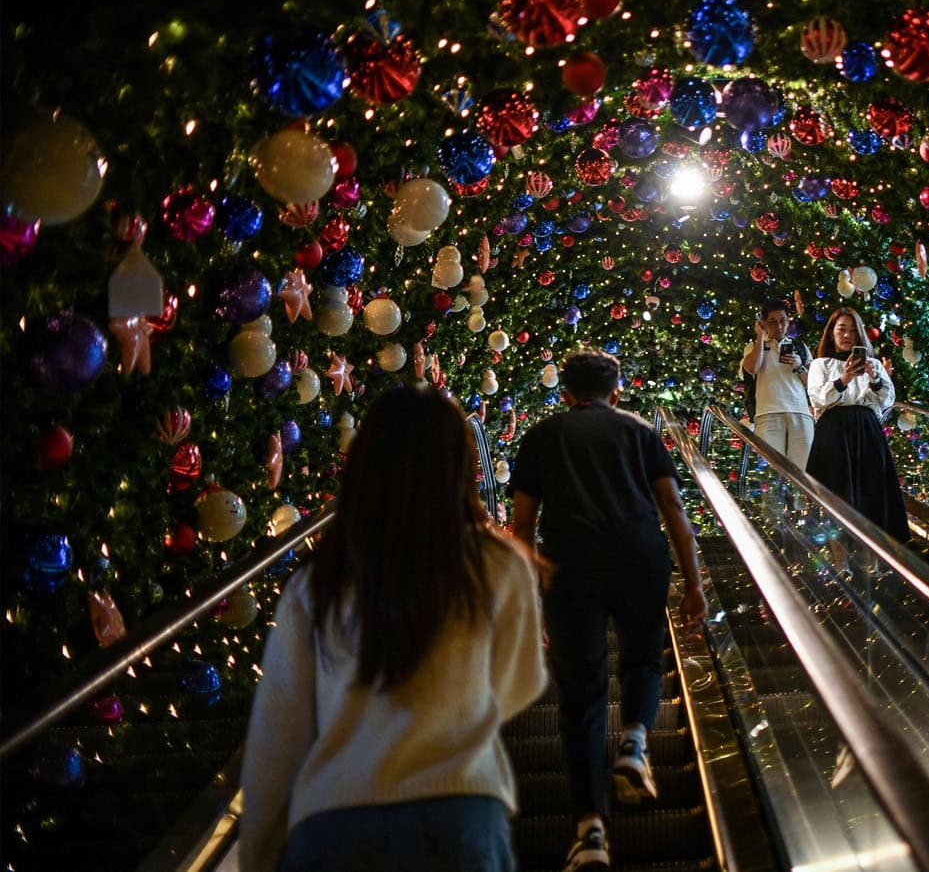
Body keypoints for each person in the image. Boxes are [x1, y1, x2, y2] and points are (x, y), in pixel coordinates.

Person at [239, 384, 547, 872]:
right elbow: (520, 683)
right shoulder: (497, 565)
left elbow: (277, 740)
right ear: (458, 468)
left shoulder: (318, 583)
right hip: (461, 818)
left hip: (332, 825)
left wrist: (258, 854)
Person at [508, 348, 706, 872]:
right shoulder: (640, 431)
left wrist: (530, 601)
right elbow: (672, 508)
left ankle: (590, 831)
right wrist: (693, 583)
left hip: (569, 568)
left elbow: (522, 527)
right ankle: (636, 740)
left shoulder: (541, 436)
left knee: (581, 695)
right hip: (640, 559)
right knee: (643, 657)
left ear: (566, 395)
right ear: (616, 392)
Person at [805, 307, 911, 540]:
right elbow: (818, 398)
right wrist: (844, 379)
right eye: (841, 329)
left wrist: (874, 378)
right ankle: (841, 562)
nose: (847, 335)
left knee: (871, 492)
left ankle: (872, 560)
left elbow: (887, 400)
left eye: (853, 330)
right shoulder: (820, 364)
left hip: (867, 430)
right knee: (835, 492)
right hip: (833, 432)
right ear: (831, 333)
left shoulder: (873, 364)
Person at [739, 298, 814, 469]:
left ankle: (803, 498)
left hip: (800, 413)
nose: (779, 327)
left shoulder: (800, 347)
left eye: (783, 321)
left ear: (788, 321)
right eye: (772, 322)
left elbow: (813, 384)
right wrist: (760, 336)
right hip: (767, 415)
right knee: (771, 472)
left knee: (804, 472)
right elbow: (751, 368)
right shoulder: (753, 348)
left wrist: (799, 366)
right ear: (764, 323)